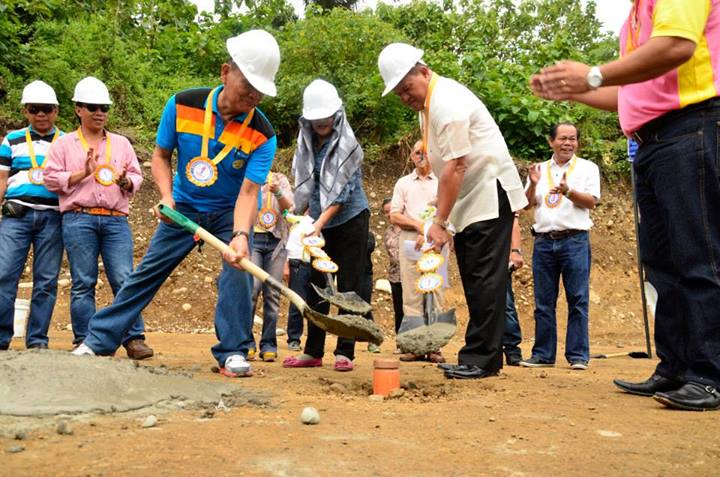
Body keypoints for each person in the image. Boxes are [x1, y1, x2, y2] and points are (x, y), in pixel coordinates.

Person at [531, 0, 720, 410]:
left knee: (698, 255)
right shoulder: (633, 17)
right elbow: (628, 94)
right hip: (651, 142)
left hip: (692, 126)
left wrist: (593, 73)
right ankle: (675, 366)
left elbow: (676, 46)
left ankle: (709, 373)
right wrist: (576, 92)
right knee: (663, 262)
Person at [71, 30, 281, 379]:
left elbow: (249, 193)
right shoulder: (183, 104)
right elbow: (160, 156)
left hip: (231, 213)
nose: (253, 97)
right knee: (147, 273)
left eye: (261, 91)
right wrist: (167, 198)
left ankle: (232, 352)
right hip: (183, 206)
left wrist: (242, 234)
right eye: (248, 87)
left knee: (238, 272)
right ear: (225, 72)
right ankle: (98, 340)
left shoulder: (263, 132)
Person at [378, 43, 528, 379]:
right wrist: (438, 213)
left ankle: (482, 360)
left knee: (485, 279)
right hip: (471, 199)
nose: (405, 97)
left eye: (407, 88)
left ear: (425, 71)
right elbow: (448, 166)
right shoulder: (429, 107)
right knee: (476, 278)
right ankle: (477, 356)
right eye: (399, 94)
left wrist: (440, 223)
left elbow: (457, 166)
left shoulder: (447, 102)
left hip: (489, 193)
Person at [43, 77, 150, 358]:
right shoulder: (64, 144)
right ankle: (85, 339)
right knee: (83, 281)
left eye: (104, 107)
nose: (100, 112)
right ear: (78, 109)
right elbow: (51, 179)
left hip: (115, 219)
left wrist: (128, 183)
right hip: (79, 218)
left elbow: (137, 176)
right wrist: (82, 173)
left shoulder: (122, 144)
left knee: (125, 278)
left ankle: (134, 338)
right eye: (93, 107)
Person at [282, 79, 370, 372]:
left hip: (350, 220)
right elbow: (306, 189)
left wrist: (316, 224)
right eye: (315, 117)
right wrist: (297, 217)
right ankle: (313, 351)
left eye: (326, 116)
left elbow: (342, 194)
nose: (321, 121)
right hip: (320, 222)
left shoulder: (348, 145)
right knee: (316, 285)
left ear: (337, 114)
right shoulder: (306, 144)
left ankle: (345, 352)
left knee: (348, 286)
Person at [518, 123, 599, 371]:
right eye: (563, 138)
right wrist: (532, 184)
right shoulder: (539, 169)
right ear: (551, 141)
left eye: (572, 139)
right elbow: (526, 204)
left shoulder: (587, 168)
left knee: (578, 299)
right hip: (543, 242)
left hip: (574, 240)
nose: (568, 143)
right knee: (543, 301)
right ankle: (543, 355)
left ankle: (577, 356)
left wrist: (568, 191)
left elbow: (591, 202)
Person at [0, 81, 64, 350]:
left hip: (53, 217)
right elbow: (2, 177)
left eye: (46, 109)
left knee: (46, 281)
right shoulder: (11, 140)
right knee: (4, 275)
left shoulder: (67, 142)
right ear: (26, 111)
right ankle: (2, 338)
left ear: (56, 111)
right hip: (16, 215)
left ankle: (37, 341)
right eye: (34, 109)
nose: (41, 115)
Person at [389, 139, 445, 363]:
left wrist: (432, 231)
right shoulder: (403, 183)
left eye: (425, 152)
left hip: (437, 241)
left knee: (435, 293)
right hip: (410, 240)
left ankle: (435, 347)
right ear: (411, 156)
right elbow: (395, 215)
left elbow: (448, 211)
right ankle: (414, 345)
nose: (421, 156)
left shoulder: (442, 181)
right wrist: (420, 226)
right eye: (416, 152)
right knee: (411, 294)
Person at [249, 170, 293, 362]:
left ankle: (268, 344)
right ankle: (245, 342)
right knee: (251, 290)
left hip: (276, 242)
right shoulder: (249, 176)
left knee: (272, 294)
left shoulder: (280, 179)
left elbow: (289, 209)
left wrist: (277, 192)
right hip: (253, 240)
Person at [381, 197, 403, 344]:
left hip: (411, 275)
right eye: (386, 212)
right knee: (399, 310)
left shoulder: (409, 228)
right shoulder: (388, 232)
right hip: (395, 276)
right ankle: (400, 342)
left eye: (391, 211)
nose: (389, 215)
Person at [503, 213, 524, 366]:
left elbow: (513, 221)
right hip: (479, 250)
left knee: (506, 304)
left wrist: (515, 250)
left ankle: (512, 349)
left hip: (501, 253)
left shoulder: (506, 190)